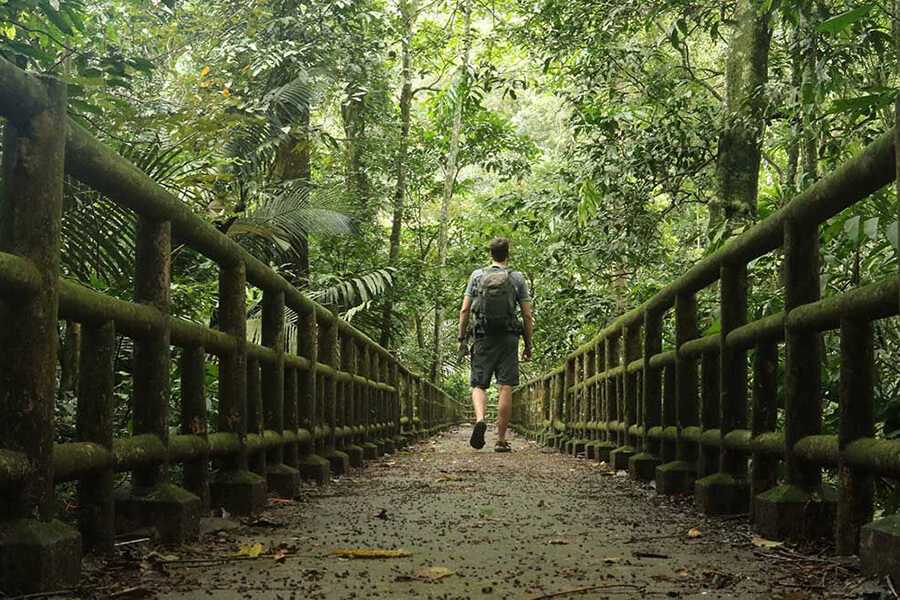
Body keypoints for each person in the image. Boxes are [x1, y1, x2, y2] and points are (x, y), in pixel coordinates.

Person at [457, 237, 533, 452]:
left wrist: (462, 339)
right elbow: (527, 315)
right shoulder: (516, 278)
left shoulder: (477, 276)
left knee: (479, 385)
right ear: (508, 254)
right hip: (508, 338)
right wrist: (528, 345)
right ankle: (500, 440)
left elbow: (464, 310)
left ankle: (480, 419)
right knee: (505, 386)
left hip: (482, 336)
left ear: (490, 254)